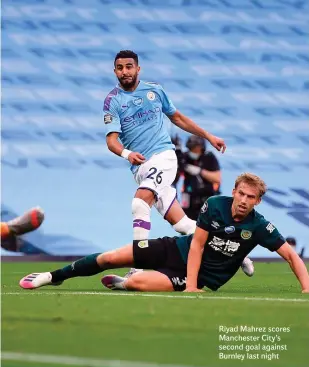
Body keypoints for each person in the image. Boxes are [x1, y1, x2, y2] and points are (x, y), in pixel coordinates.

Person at [19, 173, 309, 294]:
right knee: (111, 256)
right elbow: (196, 245)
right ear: (233, 192)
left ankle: (125, 284)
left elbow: (291, 257)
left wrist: (306, 290)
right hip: (177, 249)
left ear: (258, 201)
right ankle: (53, 277)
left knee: (138, 283)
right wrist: (191, 288)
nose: (245, 200)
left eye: (251, 197)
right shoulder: (214, 205)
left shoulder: (260, 226)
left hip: (202, 276)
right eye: (241, 194)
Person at [103, 50, 226, 272]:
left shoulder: (155, 91)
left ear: (138, 69)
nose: (125, 71)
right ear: (115, 71)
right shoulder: (113, 101)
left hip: (164, 157)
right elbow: (112, 141)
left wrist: (208, 136)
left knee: (140, 202)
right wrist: (127, 154)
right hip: (140, 167)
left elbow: (178, 118)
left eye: (129, 66)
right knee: (182, 224)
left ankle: (137, 267)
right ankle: (230, 251)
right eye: (120, 68)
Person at [178, 135, 221, 221]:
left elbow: (217, 178)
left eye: (195, 148)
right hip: (188, 199)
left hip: (206, 198)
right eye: (191, 148)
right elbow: (175, 178)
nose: (192, 151)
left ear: (201, 147)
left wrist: (200, 171)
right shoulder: (185, 157)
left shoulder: (209, 157)